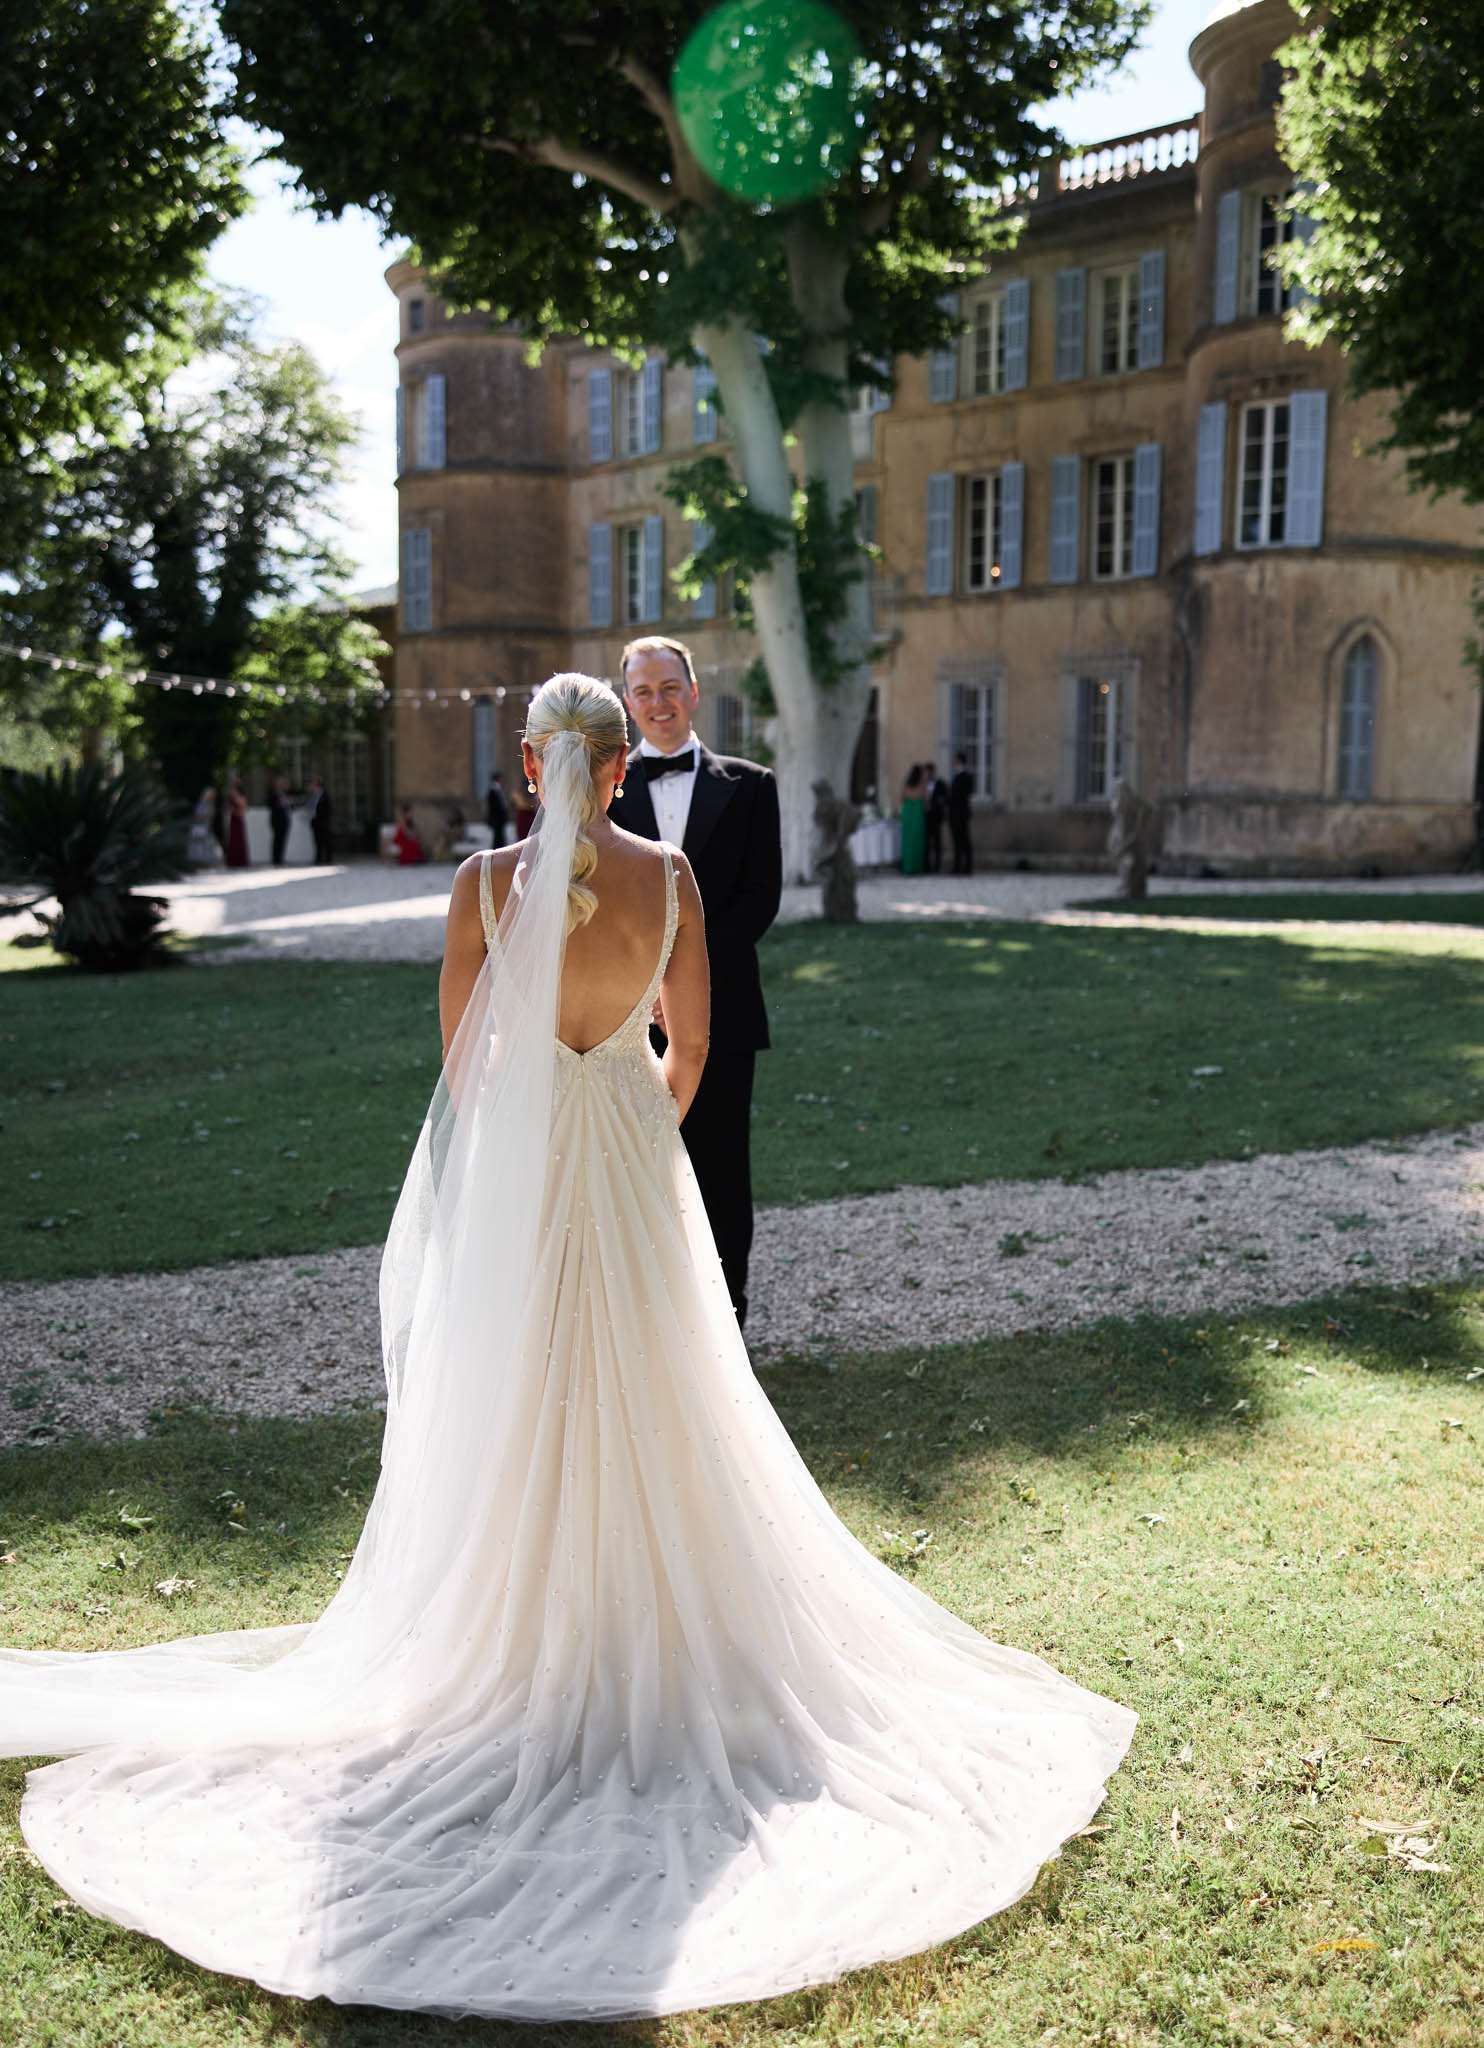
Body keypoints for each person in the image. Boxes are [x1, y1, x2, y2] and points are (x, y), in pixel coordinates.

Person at [0, 669, 1136, 2020]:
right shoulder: (672, 881)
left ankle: (522, 1634)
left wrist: (539, 1124)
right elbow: (695, 1039)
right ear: (611, 765)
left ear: (536, 763)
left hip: (532, 1165)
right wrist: (637, 1115)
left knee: (526, 1394)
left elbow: (467, 1065)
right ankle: (660, 1634)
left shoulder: (481, 885)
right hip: (631, 1154)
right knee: (668, 1387)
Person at [607, 634, 780, 1329]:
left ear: (694, 692)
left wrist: (681, 985)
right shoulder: (605, 792)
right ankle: (652, 1324)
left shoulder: (752, 787)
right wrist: (643, 986)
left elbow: (756, 902)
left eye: (669, 687)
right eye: (643, 691)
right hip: (624, 1017)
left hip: (726, 1015)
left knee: (720, 1173)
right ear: (627, 703)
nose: (658, 703)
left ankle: (727, 1322)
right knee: (635, 1171)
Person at [949, 750, 975, 875]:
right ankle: (958, 866)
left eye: (955, 760)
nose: (953, 762)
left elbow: (964, 794)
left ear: (960, 761)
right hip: (955, 813)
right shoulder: (957, 776)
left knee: (964, 840)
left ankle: (966, 867)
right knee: (957, 840)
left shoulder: (965, 776)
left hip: (961, 813)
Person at [899, 762, 926, 875]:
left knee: (907, 841)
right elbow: (924, 798)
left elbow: (902, 797)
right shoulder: (922, 784)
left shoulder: (907, 783)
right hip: (917, 811)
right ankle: (916, 867)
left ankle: (907, 867)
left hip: (908, 810)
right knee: (917, 841)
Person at [924, 760, 948, 874]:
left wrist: (939, 802)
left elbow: (945, 797)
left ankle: (937, 865)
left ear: (933, 772)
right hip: (926, 816)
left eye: (929, 771)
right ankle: (927, 865)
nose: (928, 774)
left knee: (937, 841)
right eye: (926, 772)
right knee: (927, 842)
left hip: (936, 816)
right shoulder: (923, 784)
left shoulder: (940, 783)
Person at [305, 774, 333, 865]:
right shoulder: (312, 796)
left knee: (326, 841)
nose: (310, 786)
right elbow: (310, 807)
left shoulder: (325, 795)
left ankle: (328, 859)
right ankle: (318, 859)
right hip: (315, 822)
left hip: (323, 822)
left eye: (312, 784)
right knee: (317, 841)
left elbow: (328, 809)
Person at [225, 776, 250, 867]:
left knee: (240, 840)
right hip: (234, 818)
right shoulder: (232, 793)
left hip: (239, 818)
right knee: (234, 840)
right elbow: (229, 807)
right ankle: (233, 861)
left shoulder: (240, 794)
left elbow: (244, 806)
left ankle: (240, 860)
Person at [268, 773, 292, 867]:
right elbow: (272, 806)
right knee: (277, 841)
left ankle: (280, 859)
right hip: (277, 822)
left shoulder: (285, 795)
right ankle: (276, 860)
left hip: (284, 821)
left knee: (282, 841)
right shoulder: (274, 795)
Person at [485, 771, 510, 846]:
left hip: (500, 817)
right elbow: (493, 806)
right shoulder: (493, 790)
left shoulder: (498, 789)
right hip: (497, 817)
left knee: (500, 834)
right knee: (497, 835)